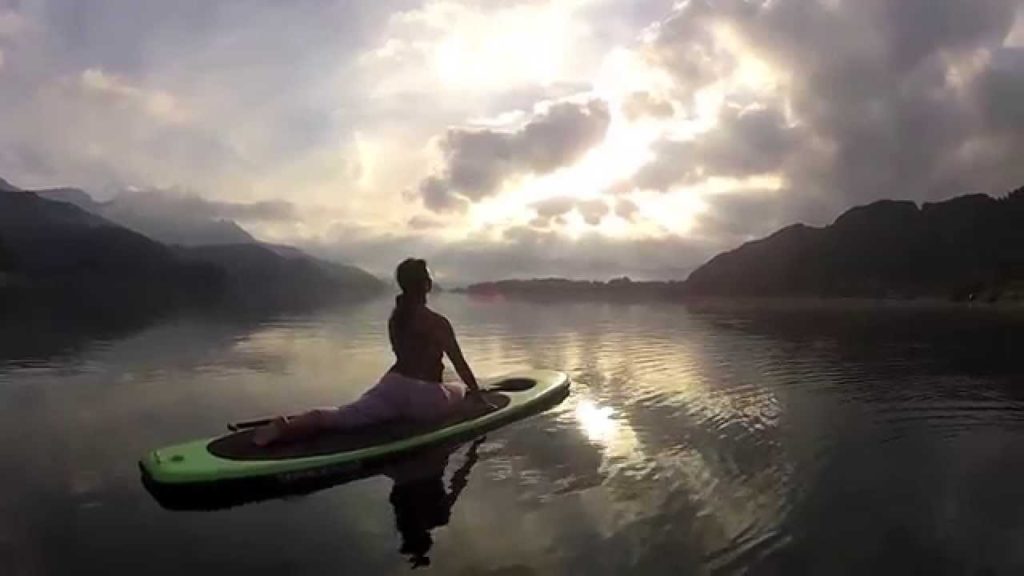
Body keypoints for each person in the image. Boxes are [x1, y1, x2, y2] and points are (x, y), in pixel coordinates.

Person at [252, 258, 489, 446]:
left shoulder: (396, 318)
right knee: (459, 389)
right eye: (428, 277)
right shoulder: (437, 322)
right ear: (426, 284)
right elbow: (459, 363)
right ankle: (468, 397)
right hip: (425, 399)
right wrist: (478, 396)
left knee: (338, 416)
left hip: (392, 387)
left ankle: (286, 427)